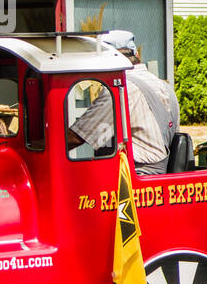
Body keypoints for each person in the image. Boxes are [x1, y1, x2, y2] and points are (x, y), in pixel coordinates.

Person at [67, 29, 178, 175]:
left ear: (109, 58)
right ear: (136, 55)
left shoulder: (120, 89)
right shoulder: (164, 86)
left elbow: (77, 136)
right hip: (159, 179)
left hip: (133, 177)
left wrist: (40, 146)